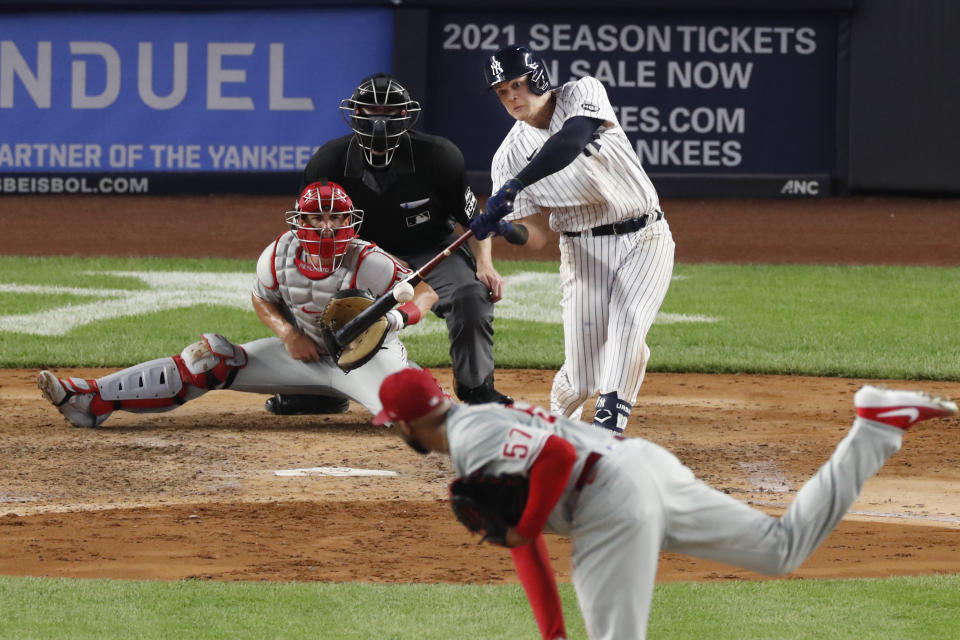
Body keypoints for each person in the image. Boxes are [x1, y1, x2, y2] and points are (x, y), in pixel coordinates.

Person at [374, 367, 957, 640]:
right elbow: (516, 538)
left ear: (408, 424)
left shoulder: (472, 438)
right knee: (780, 551)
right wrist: (551, 631)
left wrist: (526, 525)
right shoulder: (479, 427)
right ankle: (878, 425)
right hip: (644, 467)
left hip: (610, 501)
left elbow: (549, 465)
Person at [37, 181, 438, 428]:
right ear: (300, 221)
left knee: (417, 413)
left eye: (336, 217)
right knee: (209, 361)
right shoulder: (278, 255)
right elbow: (261, 298)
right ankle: (89, 399)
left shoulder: (368, 260)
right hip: (306, 355)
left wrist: (399, 319)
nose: (327, 227)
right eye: (317, 218)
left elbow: (428, 292)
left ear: (352, 220)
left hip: (364, 361)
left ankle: (463, 414)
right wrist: (288, 333)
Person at [469, 45, 675, 434]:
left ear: (539, 79)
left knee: (629, 325)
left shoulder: (582, 92)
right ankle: (557, 428)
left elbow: (570, 141)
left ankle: (606, 432)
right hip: (582, 251)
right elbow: (533, 237)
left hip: (645, 234)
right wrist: (501, 229)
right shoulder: (507, 156)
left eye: (518, 85)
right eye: (502, 91)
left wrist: (515, 186)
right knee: (580, 379)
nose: (512, 96)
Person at [285, 71, 511, 413]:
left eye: (389, 113)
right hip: (358, 254)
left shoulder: (438, 156)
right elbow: (308, 225)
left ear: (406, 115)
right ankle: (321, 390)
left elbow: (474, 221)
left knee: (470, 296)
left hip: (433, 249)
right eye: (371, 112)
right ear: (355, 114)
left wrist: (485, 264)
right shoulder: (329, 161)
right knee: (314, 299)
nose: (380, 122)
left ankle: (476, 387)